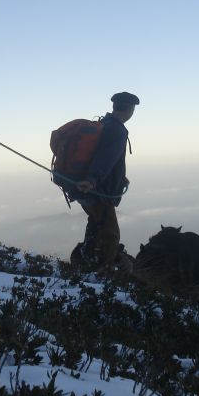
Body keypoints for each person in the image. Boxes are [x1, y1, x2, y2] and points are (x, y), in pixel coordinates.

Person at [73, 91, 139, 272]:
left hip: (85, 189)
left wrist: (119, 177)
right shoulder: (117, 130)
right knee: (111, 234)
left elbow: (106, 159)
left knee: (96, 224)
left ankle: (88, 259)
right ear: (130, 109)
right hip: (96, 190)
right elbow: (105, 158)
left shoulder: (104, 123)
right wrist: (92, 180)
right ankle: (102, 274)